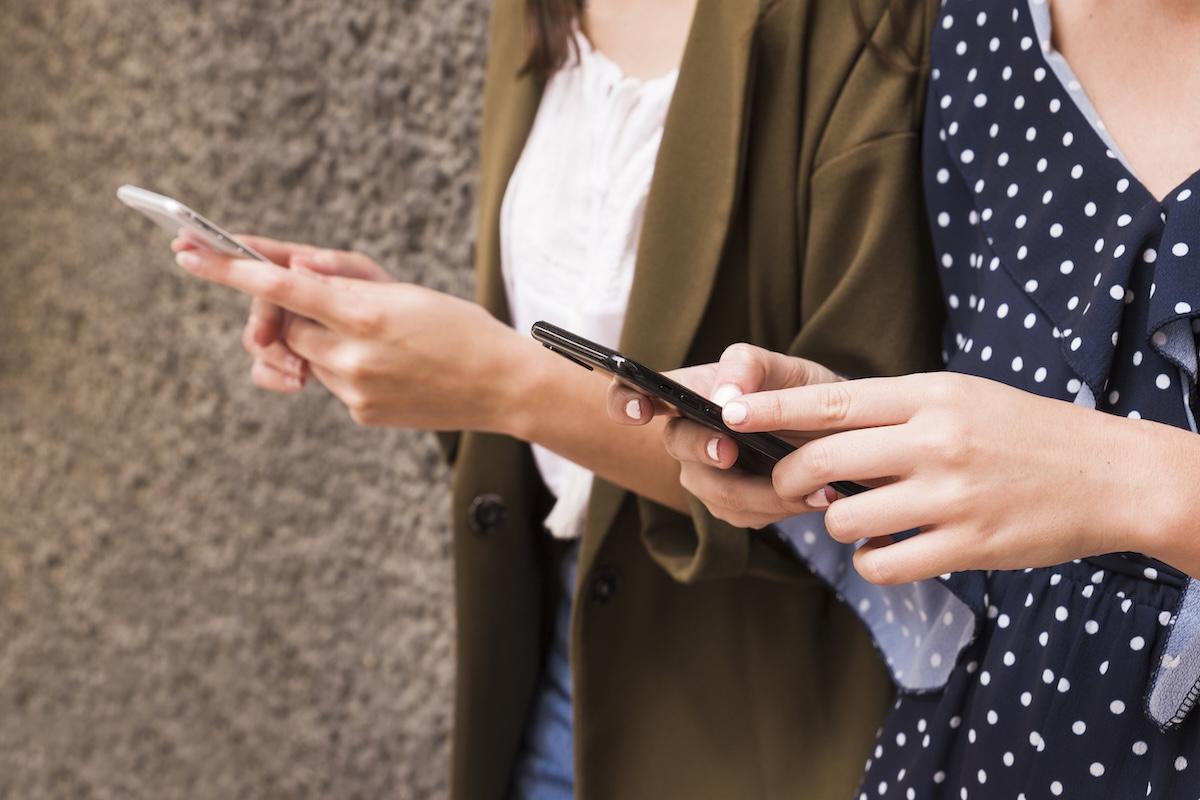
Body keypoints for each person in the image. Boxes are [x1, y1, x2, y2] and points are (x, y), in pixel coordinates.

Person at [169, 0, 947, 796]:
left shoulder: (864, 22)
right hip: (545, 667)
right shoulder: (536, 12)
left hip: (753, 722)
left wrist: (499, 381)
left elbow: (860, 481)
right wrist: (411, 344)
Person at [612, 0, 1200, 796]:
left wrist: (1133, 482)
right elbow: (1014, 440)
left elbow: (1065, 464)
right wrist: (850, 437)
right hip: (977, 744)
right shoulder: (975, 23)